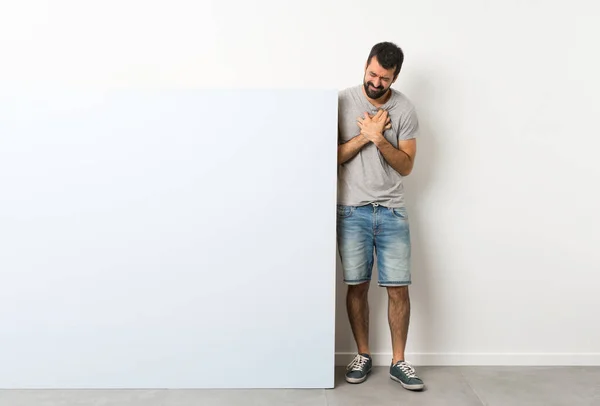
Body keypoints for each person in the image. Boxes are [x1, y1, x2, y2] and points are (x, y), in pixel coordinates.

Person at [336, 41, 424, 391]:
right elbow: (330, 156)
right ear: (365, 66)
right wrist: (366, 135)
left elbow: (406, 165)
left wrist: (381, 139)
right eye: (372, 73)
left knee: (398, 289)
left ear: (395, 77)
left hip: (391, 211)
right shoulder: (342, 102)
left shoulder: (405, 109)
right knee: (356, 286)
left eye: (384, 78)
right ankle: (362, 354)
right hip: (351, 209)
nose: (376, 81)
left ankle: (399, 362)